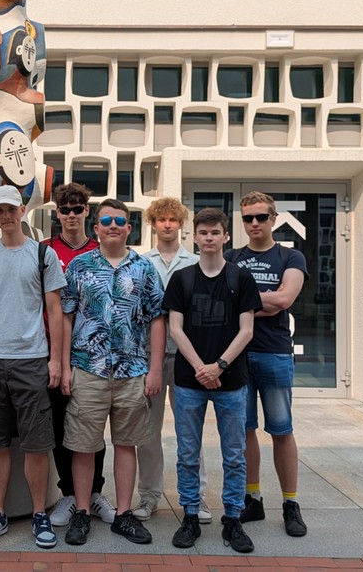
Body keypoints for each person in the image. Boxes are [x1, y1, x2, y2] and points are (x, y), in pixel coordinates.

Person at [60, 200, 165, 546]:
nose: (113, 225)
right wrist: (64, 366)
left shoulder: (145, 268)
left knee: (125, 443)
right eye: (106, 220)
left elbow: (157, 319)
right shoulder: (79, 266)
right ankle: (81, 511)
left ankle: (123, 514)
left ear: (129, 228)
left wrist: (155, 369)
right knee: (83, 445)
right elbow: (66, 317)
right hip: (88, 369)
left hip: (132, 371)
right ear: (97, 228)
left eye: (120, 220)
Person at [0, 185, 66, 549]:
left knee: (36, 443)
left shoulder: (42, 255)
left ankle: (39, 513)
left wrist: (56, 359)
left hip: (31, 358)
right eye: (0, 210)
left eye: (12, 209)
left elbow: (54, 309)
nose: (6, 215)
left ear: (22, 210)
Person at [163, 208, 263, 552]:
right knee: (187, 453)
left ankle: (233, 519)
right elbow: (175, 329)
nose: (209, 238)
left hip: (231, 382)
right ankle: (190, 515)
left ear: (226, 236)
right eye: (203, 232)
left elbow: (247, 330)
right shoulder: (182, 279)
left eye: (215, 232)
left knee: (234, 454)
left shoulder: (240, 278)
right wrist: (200, 368)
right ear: (194, 237)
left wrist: (218, 366)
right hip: (189, 382)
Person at [224, 192, 309, 538]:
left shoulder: (290, 256)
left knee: (281, 430)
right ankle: (253, 498)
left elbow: (285, 299)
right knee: (244, 430)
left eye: (261, 217)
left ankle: (290, 504)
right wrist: (264, 301)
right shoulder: (231, 257)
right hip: (238, 354)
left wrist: (244, 303)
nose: (255, 223)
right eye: (248, 218)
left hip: (274, 353)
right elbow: (223, 301)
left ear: (274, 219)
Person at [41, 183, 116, 528]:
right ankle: (69, 494)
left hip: (91, 355)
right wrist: (54, 357)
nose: (71, 215)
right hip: (51, 350)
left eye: (77, 209)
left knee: (91, 426)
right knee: (59, 425)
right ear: (57, 214)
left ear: (87, 211)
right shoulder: (45, 251)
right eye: (65, 209)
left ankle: (95, 492)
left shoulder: (101, 251)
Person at [136, 198, 206, 522]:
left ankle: (196, 497)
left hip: (186, 357)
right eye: (161, 219)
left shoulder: (195, 262)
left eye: (172, 219)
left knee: (189, 431)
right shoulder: (141, 262)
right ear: (152, 223)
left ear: (180, 224)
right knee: (147, 432)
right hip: (149, 357)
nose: (166, 224)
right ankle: (149, 496)